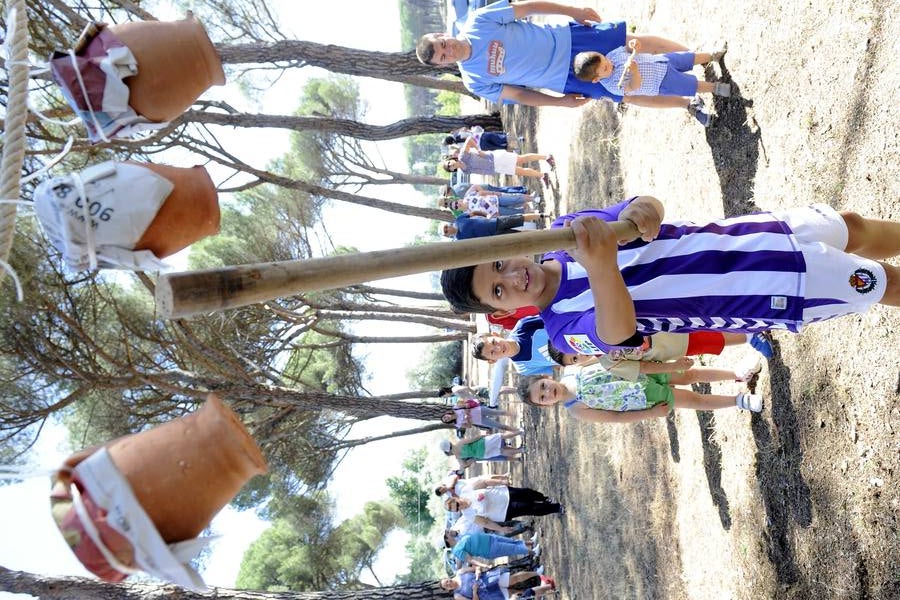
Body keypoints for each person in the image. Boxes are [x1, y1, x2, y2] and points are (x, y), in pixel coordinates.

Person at [440, 196, 900, 355]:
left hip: (741, 236)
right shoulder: (561, 329)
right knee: (882, 281)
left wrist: (644, 209)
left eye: (500, 263)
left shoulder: (567, 231)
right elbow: (618, 332)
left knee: (852, 226)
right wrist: (600, 265)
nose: (513, 278)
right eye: (497, 291)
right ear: (501, 312)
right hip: (759, 289)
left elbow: (643, 213)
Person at [416, 0, 694, 109]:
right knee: (626, 94)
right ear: (443, 64)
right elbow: (520, 95)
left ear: (443, 35)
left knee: (632, 42)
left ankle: (691, 55)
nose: (447, 50)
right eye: (442, 56)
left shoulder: (478, 21)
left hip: (569, 38)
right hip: (567, 77)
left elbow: (527, 8)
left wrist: (574, 12)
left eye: (442, 44)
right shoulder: (473, 80)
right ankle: (686, 104)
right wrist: (560, 103)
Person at [519, 358, 765, 422]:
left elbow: (607, 360)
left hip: (644, 372)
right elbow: (615, 417)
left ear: (545, 377)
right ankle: (739, 400)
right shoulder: (577, 410)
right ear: (546, 405)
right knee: (694, 399)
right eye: (542, 398)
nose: (547, 392)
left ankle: (737, 375)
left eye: (543, 386)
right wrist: (649, 413)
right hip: (645, 397)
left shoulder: (573, 368)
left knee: (690, 375)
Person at [573, 39, 729, 126]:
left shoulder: (611, 56)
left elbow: (628, 50)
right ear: (596, 79)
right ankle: (716, 88)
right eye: (605, 68)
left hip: (661, 61)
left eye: (604, 59)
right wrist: (634, 71)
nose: (609, 63)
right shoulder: (614, 85)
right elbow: (634, 87)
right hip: (661, 81)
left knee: (688, 58)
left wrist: (634, 45)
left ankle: (712, 56)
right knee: (691, 85)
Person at [545, 330, 775, 375]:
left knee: (710, 322)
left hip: (667, 323)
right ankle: (751, 337)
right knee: (710, 341)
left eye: (574, 351)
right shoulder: (608, 363)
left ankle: (751, 327)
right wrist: (673, 366)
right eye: (575, 360)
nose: (580, 356)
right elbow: (643, 367)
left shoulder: (598, 328)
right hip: (674, 347)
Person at [445, 482, 562, 533]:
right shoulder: (468, 515)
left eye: (458, 504)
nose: (460, 507)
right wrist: (501, 529)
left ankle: (544, 498)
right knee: (530, 508)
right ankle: (556, 508)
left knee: (527, 493)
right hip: (504, 511)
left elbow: (484, 483)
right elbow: (485, 522)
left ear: (456, 499)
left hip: (504, 493)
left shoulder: (466, 490)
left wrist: (501, 480)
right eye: (457, 509)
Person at [443, 137, 554, 183]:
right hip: (496, 168)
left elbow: (469, 140)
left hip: (495, 158)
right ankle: (542, 175)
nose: (450, 166)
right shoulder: (464, 171)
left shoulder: (462, 156)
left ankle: (546, 157)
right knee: (521, 171)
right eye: (449, 168)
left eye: (449, 163)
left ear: (451, 159)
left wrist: (478, 150)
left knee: (521, 159)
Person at [471, 315, 556, 376]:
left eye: (494, 342)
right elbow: (555, 366)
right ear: (492, 361)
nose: (498, 348)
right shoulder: (523, 368)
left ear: (495, 334)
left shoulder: (523, 326)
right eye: (492, 352)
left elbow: (554, 319)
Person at [441, 566, 554, 600]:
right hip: (489, 595)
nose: (449, 583)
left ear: (448, 578)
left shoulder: (460, 572)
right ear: (448, 590)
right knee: (516, 593)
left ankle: (537, 573)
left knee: (515, 578)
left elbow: (476, 568)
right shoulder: (457, 595)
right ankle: (542, 589)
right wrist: (475, 591)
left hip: (489, 579)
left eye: (447, 581)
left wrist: (478, 571)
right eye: (447, 585)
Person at [447, 530, 540, 568]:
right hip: (489, 549)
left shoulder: (458, 539)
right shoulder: (457, 551)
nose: (448, 532)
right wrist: (484, 565)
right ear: (446, 540)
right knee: (513, 549)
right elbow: (470, 560)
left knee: (512, 541)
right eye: (446, 534)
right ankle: (534, 552)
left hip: (490, 538)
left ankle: (531, 542)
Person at [440, 431, 523, 469]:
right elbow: (473, 439)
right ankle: (520, 432)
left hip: (482, 455)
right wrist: (482, 436)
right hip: (482, 443)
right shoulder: (460, 443)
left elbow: (464, 465)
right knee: (501, 436)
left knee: (501, 451)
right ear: (449, 443)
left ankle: (521, 450)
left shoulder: (458, 457)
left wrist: (473, 459)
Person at [441, 212, 545, 240]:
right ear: (447, 235)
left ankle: (541, 215)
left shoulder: (459, 219)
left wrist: (486, 215)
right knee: (519, 235)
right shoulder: (460, 239)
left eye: (445, 227)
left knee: (519, 218)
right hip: (494, 236)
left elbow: (472, 213)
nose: (447, 229)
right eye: (445, 231)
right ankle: (544, 232)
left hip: (495, 222)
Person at [440, 398, 520, 433]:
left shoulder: (456, 408)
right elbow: (469, 426)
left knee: (499, 412)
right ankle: (518, 431)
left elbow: (467, 405)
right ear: (449, 421)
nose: (447, 418)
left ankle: (517, 415)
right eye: (446, 420)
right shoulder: (457, 424)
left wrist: (466, 412)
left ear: (447, 413)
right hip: (480, 421)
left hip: (480, 410)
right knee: (499, 426)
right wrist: (467, 420)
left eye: (445, 417)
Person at [445, 125, 511, 151]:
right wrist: (456, 130)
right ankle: (517, 139)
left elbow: (468, 150)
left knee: (501, 147)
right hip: (481, 136)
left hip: (481, 146)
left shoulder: (459, 146)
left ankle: (513, 148)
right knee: (501, 139)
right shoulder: (460, 133)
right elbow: (465, 128)